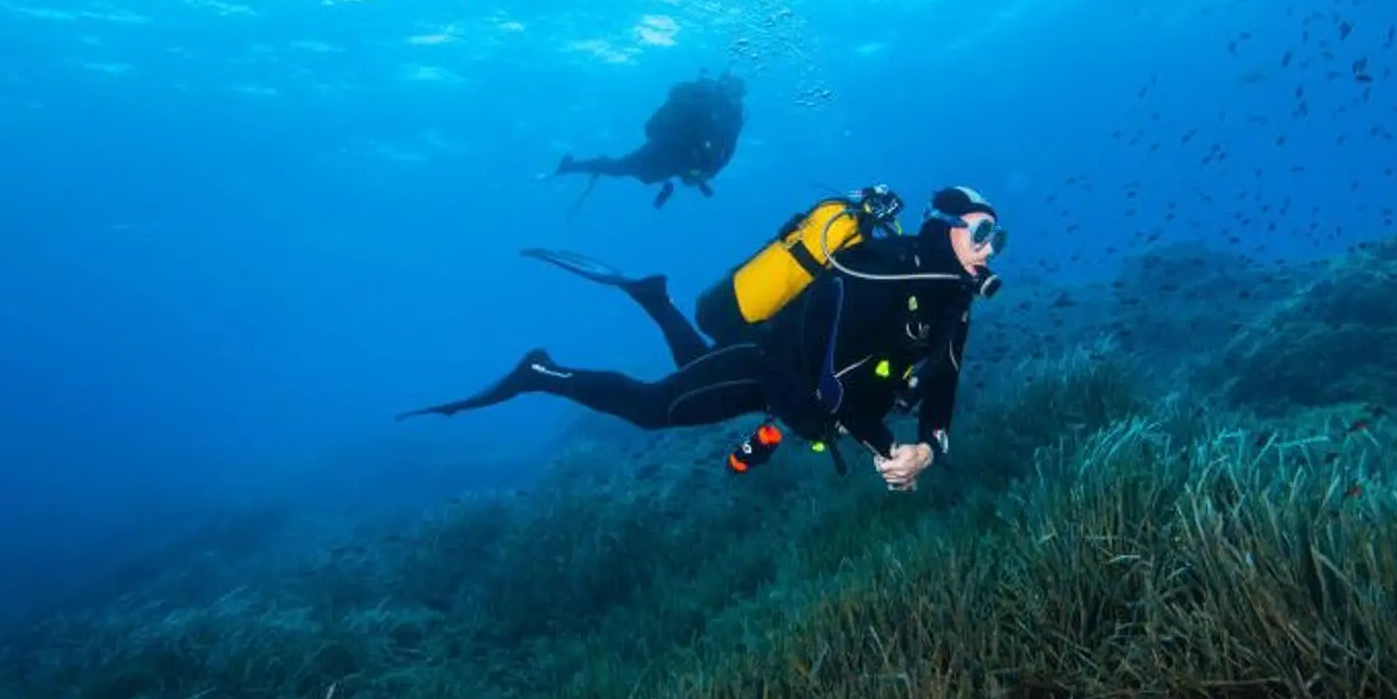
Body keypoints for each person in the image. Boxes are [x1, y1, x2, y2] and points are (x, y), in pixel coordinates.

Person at [396, 187, 1008, 491]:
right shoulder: (873, 270)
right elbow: (828, 383)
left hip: (794, 397)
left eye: (995, 240)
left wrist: (926, 447)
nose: (989, 251)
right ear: (942, 229)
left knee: (698, 365)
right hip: (772, 368)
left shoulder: (950, 294)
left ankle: (653, 297)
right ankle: (540, 371)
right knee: (654, 408)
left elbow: (945, 374)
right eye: (981, 234)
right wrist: (882, 445)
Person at [550, 71, 746, 207]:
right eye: (734, 91)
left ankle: (576, 167)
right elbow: (661, 125)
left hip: (686, 160)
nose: (736, 98)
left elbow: (728, 149)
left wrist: (707, 172)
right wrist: (706, 171)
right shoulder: (700, 100)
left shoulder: (734, 115)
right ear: (723, 87)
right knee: (624, 169)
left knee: (630, 171)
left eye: (740, 93)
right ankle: (574, 167)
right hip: (666, 149)